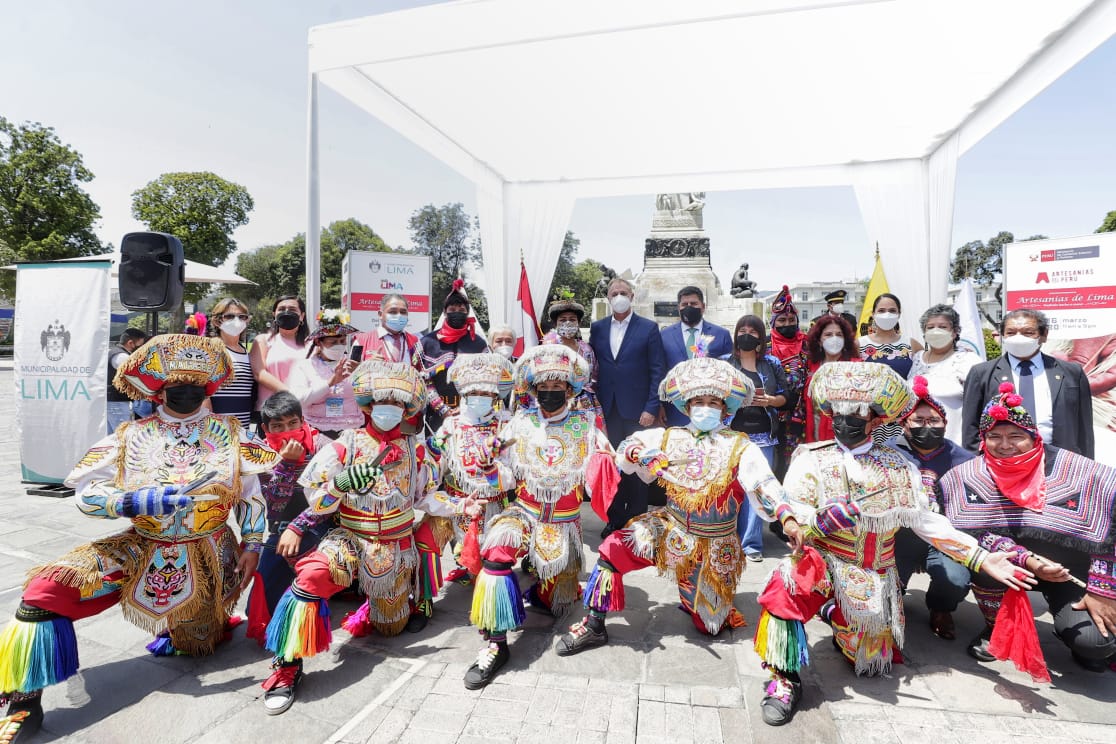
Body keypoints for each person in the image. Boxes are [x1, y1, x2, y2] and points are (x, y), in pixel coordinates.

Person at [0, 335, 275, 737]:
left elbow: (251, 496)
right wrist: (130, 501)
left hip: (212, 553)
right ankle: (23, 697)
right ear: (159, 391)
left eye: (195, 386)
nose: (186, 393)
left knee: (196, 645)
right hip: (141, 546)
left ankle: (207, 621)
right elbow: (85, 493)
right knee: (44, 592)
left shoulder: (234, 434)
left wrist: (252, 544)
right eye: (177, 387)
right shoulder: (129, 435)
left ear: (209, 388)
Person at [752, 362, 1028, 727]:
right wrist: (812, 522)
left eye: (856, 413)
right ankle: (783, 679)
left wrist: (981, 558)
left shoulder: (899, 466)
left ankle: (836, 616)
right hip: (824, 565)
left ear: (876, 419)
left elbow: (929, 522)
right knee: (784, 582)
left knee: (870, 665)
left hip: (873, 576)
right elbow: (794, 511)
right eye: (839, 413)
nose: (845, 420)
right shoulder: (811, 459)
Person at [556, 356, 788, 657]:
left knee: (710, 627)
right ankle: (594, 624)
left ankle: (700, 598)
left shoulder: (740, 445)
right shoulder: (669, 437)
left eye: (713, 402)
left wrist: (788, 518)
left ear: (725, 408)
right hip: (671, 528)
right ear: (687, 406)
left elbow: (763, 484)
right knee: (613, 549)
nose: (705, 407)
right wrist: (641, 454)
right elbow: (627, 449)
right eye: (699, 401)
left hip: (715, 543)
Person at [259, 361, 453, 715]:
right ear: (365, 406)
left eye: (396, 404)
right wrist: (340, 484)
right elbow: (315, 497)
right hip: (349, 537)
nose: (388, 410)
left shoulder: (418, 450)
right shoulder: (343, 445)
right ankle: (286, 667)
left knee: (389, 628)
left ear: (407, 410)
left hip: (395, 545)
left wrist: (457, 507)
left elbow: (425, 496)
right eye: (380, 402)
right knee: (309, 580)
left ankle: (398, 599)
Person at [462, 345, 614, 690]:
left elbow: (608, 470)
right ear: (532, 389)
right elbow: (500, 475)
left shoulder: (586, 424)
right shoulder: (520, 422)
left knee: (556, 604)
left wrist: (611, 461)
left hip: (563, 523)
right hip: (524, 513)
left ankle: (544, 580)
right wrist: (489, 463)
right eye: (542, 387)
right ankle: (495, 645)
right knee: (496, 552)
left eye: (557, 386)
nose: (549, 392)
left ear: (570, 389)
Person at [942, 382, 1116, 674]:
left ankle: (1074, 632)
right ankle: (995, 626)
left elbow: (1112, 528)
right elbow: (974, 533)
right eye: (994, 436)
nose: (1005, 444)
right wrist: (1028, 560)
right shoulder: (969, 476)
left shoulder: (1078, 471)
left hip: (1074, 576)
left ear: (1033, 436)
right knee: (984, 563)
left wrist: (1103, 591)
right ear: (983, 440)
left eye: (1015, 435)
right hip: (1019, 568)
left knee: (1096, 642)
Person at [889, 376, 976, 641]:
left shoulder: (965, 460)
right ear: (904, 425)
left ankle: (940, 607)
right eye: (919, 421)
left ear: (944, 423)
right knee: (884, 591)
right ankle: (891, 602)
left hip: (943, 537)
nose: (927, 426)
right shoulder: (889, 454)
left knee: (956, 580)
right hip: (899, 536)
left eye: (934, 421)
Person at [428, 353, 515, 584]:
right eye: (474, 393)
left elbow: (512, 477)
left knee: (492, 562)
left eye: (485, 394)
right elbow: (435, 467)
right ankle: (422, 601)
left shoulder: (504, 426)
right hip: (456, 505)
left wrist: (491, 468)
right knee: (423, 538)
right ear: (464, 395)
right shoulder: (451, 425)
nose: (480, 398)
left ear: (495, 396)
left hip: (494, 505)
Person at [589, 277, 666, 537]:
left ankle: (637, 521)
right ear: (608, 298)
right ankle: (614, 519)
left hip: (638, 412)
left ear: (631, 296)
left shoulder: (648, 328)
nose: (619, 296)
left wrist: (651, 407)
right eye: (614, 293)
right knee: (612, 466)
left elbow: (657, 371)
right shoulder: (597, 328)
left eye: (623, 292)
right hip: (607, 410)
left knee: (638, 467)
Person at [961, 308, 1094, 457]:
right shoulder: (981, 373)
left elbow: (1085, 429)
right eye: (1011, 332)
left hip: (1060, 460)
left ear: (1044, 335)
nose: (1019, 337)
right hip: (1004, 462)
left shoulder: (1071, 372)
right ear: (1003, 336)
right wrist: (977, 465)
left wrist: (1088, 466)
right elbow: (970, 429)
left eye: (1028, 332)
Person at [254, 391, 334, 614]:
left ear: (303, 421)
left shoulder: (323, 447)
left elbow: (332, 497)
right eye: (278, 426)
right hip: (280, 529)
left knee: (312, 582)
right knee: (260, 609)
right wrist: (286, 466)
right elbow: (272, 507)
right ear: (265, 429)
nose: (287, 432)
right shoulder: (260, 455)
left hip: (324, 524)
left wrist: (298, 527)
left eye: (293, 423)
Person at [728, 314, 791, 561]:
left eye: (753, 331)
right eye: (742, 330)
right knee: (733, 490)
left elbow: (787, 395)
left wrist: (771, 400)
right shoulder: (726, 363)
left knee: (757, 488)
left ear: (761, 337)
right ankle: (728, 539)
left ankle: (751, 544)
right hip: (732, 436)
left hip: (764, 436)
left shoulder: (771, 363)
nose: (747, 334)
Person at [420, 279, 489, 433]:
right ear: (445, 312)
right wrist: (442, 409)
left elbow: (484, 380)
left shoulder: (478, 343)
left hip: (471, 413)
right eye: (452, 309)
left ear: (467, 312)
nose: (457, 312)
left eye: (461, 309)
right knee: (437, 454)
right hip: (436, 415)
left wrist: (464, 408)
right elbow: (424, 381)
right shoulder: (428, 342)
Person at [907, 304, 980, 446]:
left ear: (955, 332)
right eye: (930, 327)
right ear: (924, 332)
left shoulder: (968, 361)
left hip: (954, 444)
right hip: (915, 444)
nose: (936, 331)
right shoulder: (916, 358)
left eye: (942, 327)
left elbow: (979, 406)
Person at [659, 286, 733, 427]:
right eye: (684, 304)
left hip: (711, 411)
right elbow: (659, 371)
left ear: (703, 307)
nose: (689, 307)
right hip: (675, 410)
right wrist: (659, 405)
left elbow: (729, 372)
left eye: (693, 304)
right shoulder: (664, 336)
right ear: (678, 307)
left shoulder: (721, 334)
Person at [287, 309, 361, 439]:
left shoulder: (353, 366)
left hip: (352, 432)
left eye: (342, 341)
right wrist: (330, 383)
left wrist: (361, 374)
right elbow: (297, 401)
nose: (339, 346)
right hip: (317, 432)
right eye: (333, 342)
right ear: (318, 342)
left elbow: (367, 398)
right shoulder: (304, 367)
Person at [767, 285, 809, 479]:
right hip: (772, 415)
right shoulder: (765, 345)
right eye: (782, 320)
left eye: (792, 320)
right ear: (773, 323)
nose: (787, 324)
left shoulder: (807, 343)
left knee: (799, 466)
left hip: (802, 415)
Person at [541, 298, 602, 426]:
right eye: (563, 320)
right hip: (555, 401)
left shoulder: (587, 349)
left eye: (572, 319)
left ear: (578, 323)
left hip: (584, 402)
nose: (568, 323)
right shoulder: (547, 348)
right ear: (556, 324)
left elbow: (594, 377)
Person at [251, 295, 310, 418]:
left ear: (302, 315)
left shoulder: (312, 344)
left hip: (304, 412)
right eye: (281, 309)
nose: (286, 312)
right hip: (271, 412)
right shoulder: (263, 340)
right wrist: (291, 394)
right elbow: (259, 373)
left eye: (292, 309)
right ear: (274, 314)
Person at [802, 314, 858, 443]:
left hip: (845, 435)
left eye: (839, 335)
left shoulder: (856, 366)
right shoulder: (810, 365)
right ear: (819, 340)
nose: (834, 339)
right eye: (828, 335)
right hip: (814, 430)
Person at [208, 297, 257, 428]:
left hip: (243, 428)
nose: (237, 321)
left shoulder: (247, 353)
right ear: (217, 321)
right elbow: (201, 392)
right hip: (217, 431)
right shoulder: (210, 349)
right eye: (229, 316)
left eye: (242, 317)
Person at [106, 328, 148, 433]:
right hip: (118, 403)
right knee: (122, 436)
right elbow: (136, 376)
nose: (141, 349)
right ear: (130, 343)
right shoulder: (122, 356)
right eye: (140, 345)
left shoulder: (114, 352)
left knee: (112, 437)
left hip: (114, 402)